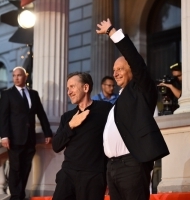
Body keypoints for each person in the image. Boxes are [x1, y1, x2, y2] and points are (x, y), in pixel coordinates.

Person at [96, 18, 170, 200]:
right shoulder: (120, 98)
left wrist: (112, 32)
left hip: (132, 164)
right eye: (114, 70)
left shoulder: (142, 90)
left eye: (120, 68)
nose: (115, 73)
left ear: (131, 70)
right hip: (112, 167)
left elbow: (136, 61)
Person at [52, 72, 113, 200]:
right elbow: (56, 146)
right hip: (67, 175)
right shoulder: (67, 117)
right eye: (68, 88)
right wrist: (71, 126)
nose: (69, 92)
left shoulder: (106, 109)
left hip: (93, 176)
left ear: (85, 88)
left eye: (72, 87)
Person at [0, 66, 52, 200]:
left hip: (29, 138)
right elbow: (3, 116)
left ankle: (21, 195)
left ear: (25, 77)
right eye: (14, 75)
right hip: (14, 138)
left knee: (25, 168)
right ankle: (16, 196)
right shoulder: (7, 94)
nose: (16, 78)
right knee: (15, 169)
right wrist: (4, 136)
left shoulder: (33, 94)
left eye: (19, 75)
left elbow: (41, 113)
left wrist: (48, 132)